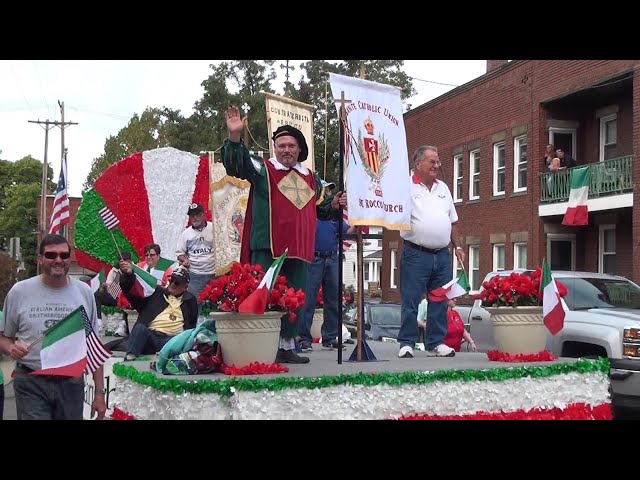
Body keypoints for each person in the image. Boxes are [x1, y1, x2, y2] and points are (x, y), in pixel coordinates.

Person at [222, 105, 346, 364]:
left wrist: (333, 205)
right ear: (274, 148)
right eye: (281, 145)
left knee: (294, 300)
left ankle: (286, 346)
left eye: (291, 146)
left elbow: (319, 208)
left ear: (299, 150)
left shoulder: (310, 178)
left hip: (298, 249)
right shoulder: (263, 169)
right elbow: (237, 165)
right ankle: (258, 345)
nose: (286, 150)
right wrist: (235, 137)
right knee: (263, 296)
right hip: (267, 246)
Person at [0, 234, 106, 420]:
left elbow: (93, 344)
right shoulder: (19, 291)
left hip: (71, 383)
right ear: (40, 259)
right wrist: (11, 348)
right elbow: (3, 337)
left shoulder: (84, 292)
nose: (58, 260)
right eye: (51, 255)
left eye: (64, 255)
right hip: (31, 381)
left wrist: (99, 393)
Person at [397, 145, 465, 359]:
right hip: (416, 254)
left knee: (439, 301)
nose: (436, 165)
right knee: (411, 299)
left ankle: (435, 343)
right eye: (432, 161)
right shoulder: (405, 187)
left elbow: (453, 221)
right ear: (418, 164)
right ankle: (407, 343)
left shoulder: (443, 188)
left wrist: (459, 247)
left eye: (438, 161)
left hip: (442, 255)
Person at [297, 180, 357, 352]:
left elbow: (348, 232)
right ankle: (304, 338)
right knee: (308, 300)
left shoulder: (333, 220)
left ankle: (330, 337)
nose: (328, 195)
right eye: (325, 192)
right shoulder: (310, 218)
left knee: (333, 300)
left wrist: (360, 222)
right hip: (313, 259)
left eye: (330, 192)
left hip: (332, 259)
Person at [119, 262, 198, 361]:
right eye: (171, 280)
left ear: (185, 287)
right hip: (150, 336)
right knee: (140, 328)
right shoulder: (156, 293)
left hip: (171, 339)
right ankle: (130, 358)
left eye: (177, 283)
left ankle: (165, 355)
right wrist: (129, 276)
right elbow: (134, 295)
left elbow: (191, 325)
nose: (172, 284)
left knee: (180, 341)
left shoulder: (190, 300)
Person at [176, 203, 215, 300]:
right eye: (192, 215)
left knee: (215, 303)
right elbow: (180, 253)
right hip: (195, 276)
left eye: (197, 214)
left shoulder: (214, 228)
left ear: (203, 214)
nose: (195, 217)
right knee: (193, 303)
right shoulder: (186, 234)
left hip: (215, 274)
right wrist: (184, 260)